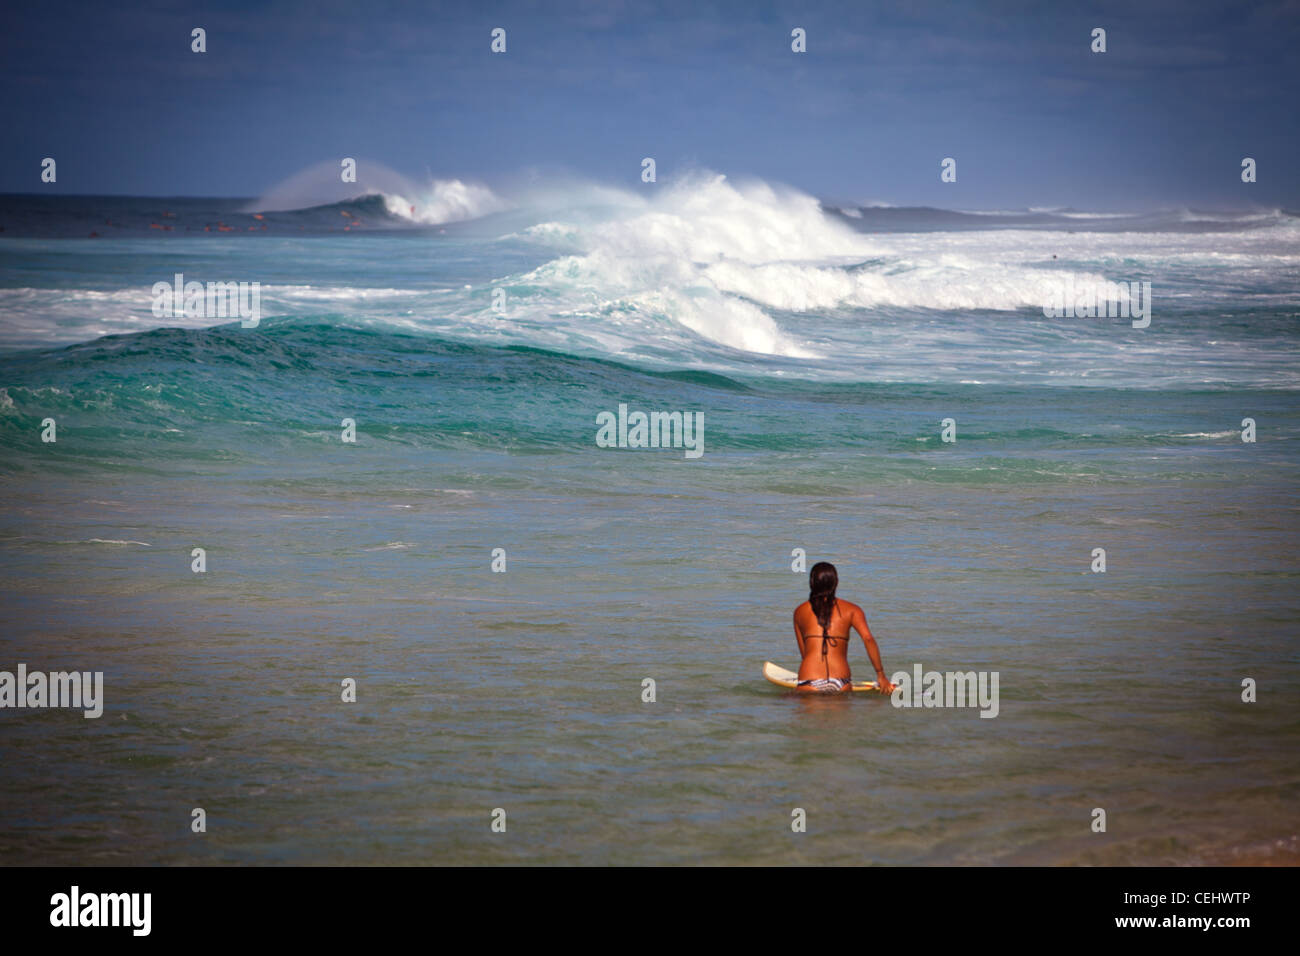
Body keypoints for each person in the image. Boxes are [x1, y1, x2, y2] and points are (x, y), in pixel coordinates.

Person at [793, 562, 895, 694]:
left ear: (811, 583)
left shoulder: (799, 612)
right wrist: (881, 675)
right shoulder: (852, 610)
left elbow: (805, 654)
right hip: (840, 681)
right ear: (836, 583)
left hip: (810, 679)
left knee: (789, 701)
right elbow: (868, 639)